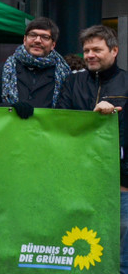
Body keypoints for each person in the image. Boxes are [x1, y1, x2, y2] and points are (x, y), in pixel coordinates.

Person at [56, 25, 128, 272]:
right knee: (82, 251)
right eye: (86, 50)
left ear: (114, 50)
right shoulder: (71, 82)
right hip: (79, 183)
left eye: (97, 49)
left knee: (121, 257)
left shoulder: (127, 83)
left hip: (121, 187)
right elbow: (61, 122)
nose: (90, 55)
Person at [0, 17, 70, 118]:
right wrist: (11, 108)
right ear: (25, 40)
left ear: (53, 45)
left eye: (45, 37)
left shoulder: (65, 76)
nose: (38, 40)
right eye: (33, 35)